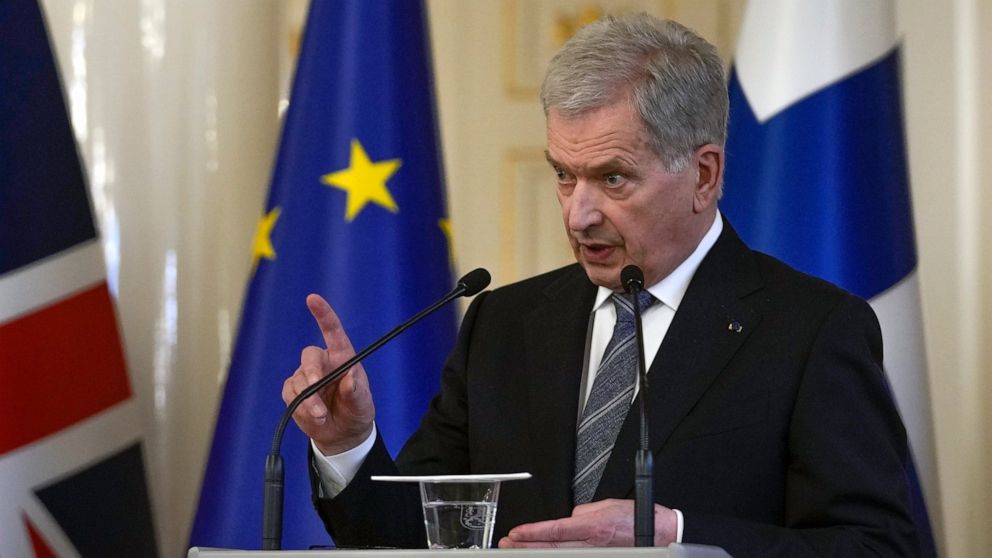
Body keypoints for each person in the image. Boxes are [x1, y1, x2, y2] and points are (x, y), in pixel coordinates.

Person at [282, 13, 920, 557]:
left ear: (703, 175)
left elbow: (877, 546)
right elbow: (413, 541)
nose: (577, 215)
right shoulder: (501, 325)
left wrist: (678, 535)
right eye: (564, 175)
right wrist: (347, 445)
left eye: (613, 178)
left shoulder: (810, 330)